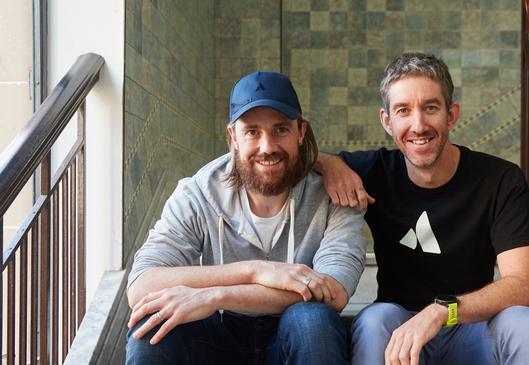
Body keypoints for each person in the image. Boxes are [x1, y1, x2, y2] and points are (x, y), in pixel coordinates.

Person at [315, 53, 529, 365]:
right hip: (401, 333)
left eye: (430, 108)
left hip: (473, 328)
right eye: (403, 111)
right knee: (376, 318)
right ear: (387, 121)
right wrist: (329, 163)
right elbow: (295, 155)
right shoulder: (374, 171)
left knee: (528, 324)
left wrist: (443, 310)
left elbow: (524, 287)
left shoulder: (499, 179)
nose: (418, 125)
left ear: (451, 114)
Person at [125, 71, 367, 364]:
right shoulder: (197, 193)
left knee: (312, 321)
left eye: (280, 129)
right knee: (152, 325)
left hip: (291, 337)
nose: (267, 146)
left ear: (301, 132)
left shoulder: (335, 194)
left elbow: (335, 291)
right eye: (252, 131)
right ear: (233, 136)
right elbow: (141, 285)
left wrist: (216, 296)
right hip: (218, 338)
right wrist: (254, 270)